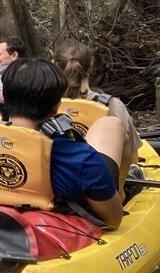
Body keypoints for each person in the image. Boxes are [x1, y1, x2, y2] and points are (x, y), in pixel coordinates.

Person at [0, 57, 126, 228]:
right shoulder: (80, 158)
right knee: (111, 124)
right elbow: (113, 221)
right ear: (57, 104)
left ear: (3, 96)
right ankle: (124, 191)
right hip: (62, 228)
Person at [54, 39, 140, 174]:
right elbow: (132, 160)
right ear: (91, 66)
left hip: (60, 185)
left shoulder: (42, 106)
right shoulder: (112, 106)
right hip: (104, 187)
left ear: (54, 65)